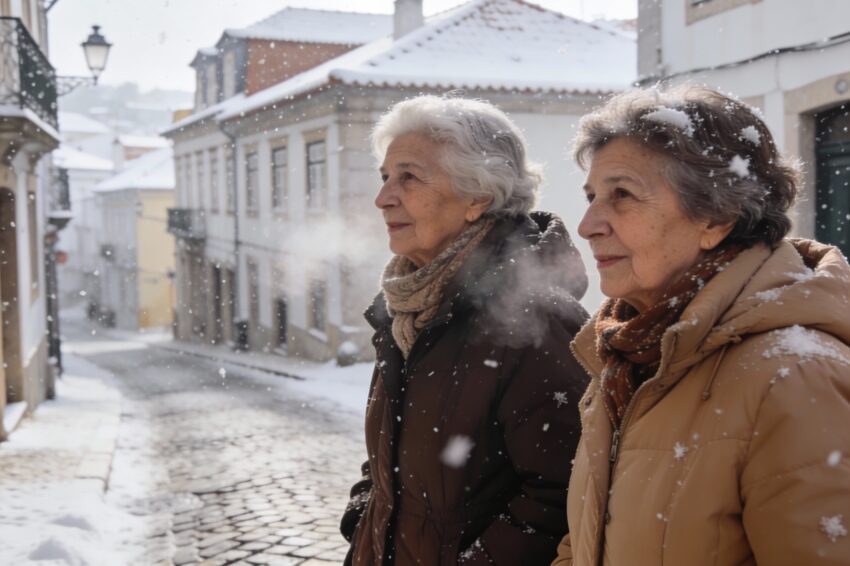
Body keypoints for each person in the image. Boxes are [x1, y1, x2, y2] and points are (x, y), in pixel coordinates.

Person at [553, 85, 850, 566]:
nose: (587, 224)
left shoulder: (794, 375)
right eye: (592, 196)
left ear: (715, 217)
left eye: (622, 195)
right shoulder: (630, 355)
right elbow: (585, 544)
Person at [339, 95, 591, 565]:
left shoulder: (536, 317)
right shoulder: (409, 308)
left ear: (478, 195)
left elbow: (563, 493)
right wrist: (363, 529)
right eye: (385, 177)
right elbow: (388, 462)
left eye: (409, 176)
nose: (383, 198)